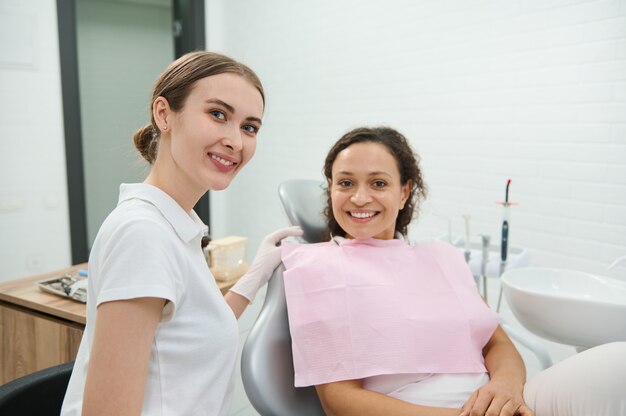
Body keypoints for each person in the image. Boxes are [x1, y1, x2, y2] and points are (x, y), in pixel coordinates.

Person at [281, 126, 626, 416]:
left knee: (617, 362)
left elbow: (496, 342)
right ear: (331, 189)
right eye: (345, 183)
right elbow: (338, 400)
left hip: (493, 405)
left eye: (378, 183)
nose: (359, 198)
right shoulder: (318, 267)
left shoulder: (441, 258)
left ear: (404, 192)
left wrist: (504, 385)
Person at [61, 51, 302, 416]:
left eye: (249, 127)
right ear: (164, 114)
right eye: (218, 114)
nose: (236, 141)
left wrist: (255, 275)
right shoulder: (143, 234)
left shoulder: (174, 225)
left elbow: (187, 335)